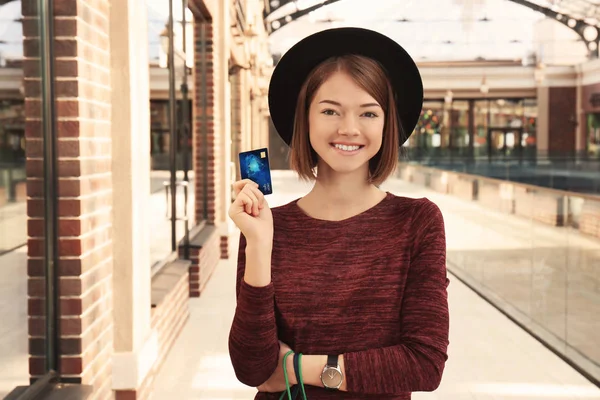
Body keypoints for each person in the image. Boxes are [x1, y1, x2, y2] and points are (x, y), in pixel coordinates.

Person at [227, 27, 450, 400]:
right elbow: (252, 368)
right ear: (306, 119)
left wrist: (296, 367)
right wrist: (259, 246)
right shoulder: (267, 226)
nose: (349, 128)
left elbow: (425, 364)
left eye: (368, 112)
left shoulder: (418, 222)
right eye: (330, 110)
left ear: (386, 124)